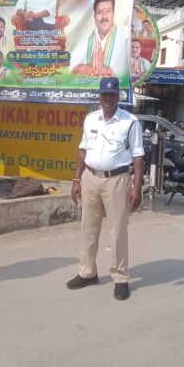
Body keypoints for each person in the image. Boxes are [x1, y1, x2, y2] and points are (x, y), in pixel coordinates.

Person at [67, 76, 144, 301]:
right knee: (88, 228)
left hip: (117, 180)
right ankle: (87, 272)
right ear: (99, 97)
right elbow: (83, 150)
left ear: (118, 96)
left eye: (112, 94)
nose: (108, 98)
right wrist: (77, 179)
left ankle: (120, 278)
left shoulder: (130, 122)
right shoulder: (91, 119)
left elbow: (138, 155)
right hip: (91, 178)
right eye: (104, 94)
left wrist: (137, 187)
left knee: (117, 231)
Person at [69, 0, 130, 80]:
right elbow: (71, 73)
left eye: (108, 11)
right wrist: (90, 68)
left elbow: (125, 78)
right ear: (94, 16)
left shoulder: (125, 38)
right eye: (99, 12)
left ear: (113, 13)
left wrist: (103, 69)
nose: (104, 16)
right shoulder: (84, 40)